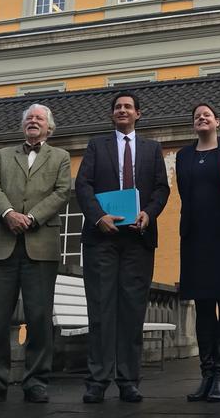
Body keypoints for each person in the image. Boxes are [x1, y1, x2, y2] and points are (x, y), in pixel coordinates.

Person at [0, 104, 71, 405]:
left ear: (49, 128)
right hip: (2, 244)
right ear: (23, 125)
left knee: (39, 318)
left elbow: (63, 192)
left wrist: (32, 217)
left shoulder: (61, 157)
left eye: (39, 118)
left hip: (40, 246)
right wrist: (9, 213)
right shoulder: (2, 155)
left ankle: (36, 381)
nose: (33, 121)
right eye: (29, 118)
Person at [75, 91, 170, 404]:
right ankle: (97, 381)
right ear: (112, 114)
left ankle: (129, 380)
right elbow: (83, 185)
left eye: (128, 107)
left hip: (138, 240)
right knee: (101, 310)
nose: (122, 110)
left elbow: (161, 188)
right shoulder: (96, 146)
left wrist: (149, 213)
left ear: (138, 114)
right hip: (102, 238)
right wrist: (98, 216)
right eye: (117, 107)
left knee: (132, 312)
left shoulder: (152, 148)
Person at [176, 102, 220, 403]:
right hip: (195, 237)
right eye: (196, 116)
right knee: (203, 307)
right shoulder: (184, 155)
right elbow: (184, 193)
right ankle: (206, 375)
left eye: (206, 115)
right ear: (194, 125)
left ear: (217, 121)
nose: (201, 118)